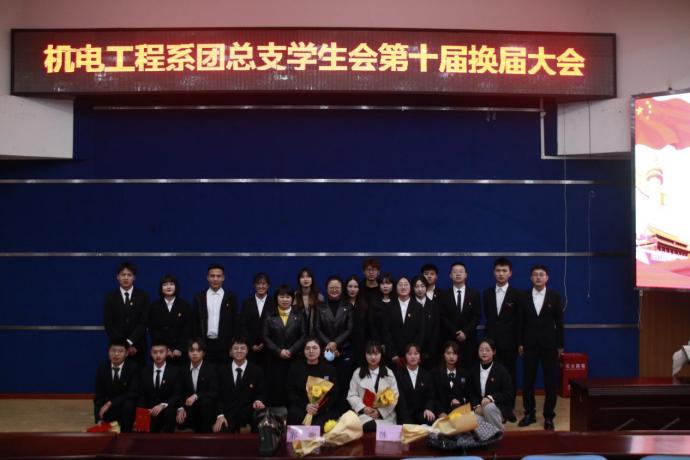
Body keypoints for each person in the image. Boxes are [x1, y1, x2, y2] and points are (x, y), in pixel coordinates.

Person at [518, 264, 564, 431]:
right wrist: (520, 343)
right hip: (529, 345)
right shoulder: (523, 296)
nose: (538, 277)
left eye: (541, 274)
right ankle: (529, 414)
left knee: (550, 382)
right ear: (531, 278)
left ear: (547, 278)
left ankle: (549, 416)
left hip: (549, 345)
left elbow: (560, 323)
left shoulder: (555, 296)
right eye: (535, 274)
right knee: (528, 381)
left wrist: (560, 345)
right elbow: (520, 323)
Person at [482, 257, 523, 422]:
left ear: (510, 273)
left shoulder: (517, 294)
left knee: (509, 376)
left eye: (504, 270)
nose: (501, 274)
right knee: (492, 376)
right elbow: (490, 318)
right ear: (494, 272)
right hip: (491, 343)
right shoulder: (487, 293)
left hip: (510, 343)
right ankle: (493, 410)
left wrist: (519, 343)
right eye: (498, 270)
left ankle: (508, 409)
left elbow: (519, 321)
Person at [263, 285, 307, 407]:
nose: (285, 299)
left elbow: (304, 335)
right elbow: (265, 336)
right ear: (276, 298)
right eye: (282, 296)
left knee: (294, 386)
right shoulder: (269, 315)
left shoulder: (299, 314)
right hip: (274, 359)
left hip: (294, 358)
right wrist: (279, 351)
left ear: (292, 299)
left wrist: (291, 351)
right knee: (276, 388)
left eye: (288, 297)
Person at [315, 276, 353, 414]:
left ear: (342, 289)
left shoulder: (348, 306)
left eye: (337, 287)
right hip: (325, 351)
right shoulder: (320, 306)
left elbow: (349, 328)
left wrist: (336, 344)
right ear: (326, 289)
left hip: (344, 351)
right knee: (325, 384)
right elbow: (317, 328)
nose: (334, 290)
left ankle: (342, 414)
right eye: (331, 287)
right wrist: (329, 344)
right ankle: (325, 414)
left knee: (343, 384)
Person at [214, 337, 267, 433]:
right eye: (236, 348)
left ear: (247, 351)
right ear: (230, 351)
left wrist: (258, 401)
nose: (239, 351)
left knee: (260, 423)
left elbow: (261, 392)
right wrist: (220, 415)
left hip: (249, 413)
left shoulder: (256, 370)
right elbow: (218, 395)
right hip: (228, 413)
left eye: (242, 348)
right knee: (221, 429)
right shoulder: (221, 371)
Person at [103, 261, 150, 367]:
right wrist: (123, 345)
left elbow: (144, 322)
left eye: (129, 275)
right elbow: (108, 323)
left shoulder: (143, 296)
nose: (126, 278)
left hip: (138, 347)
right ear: (117, 277)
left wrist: (130, 342)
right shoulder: (110, 297)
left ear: (134, 278)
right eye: (123, 275)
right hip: (117, 348)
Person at [347, 341, 399, 432]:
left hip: (386, 416)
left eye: (376, 353)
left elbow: (395, 396)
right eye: (370, 354)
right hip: (365, 415)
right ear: (365, 354)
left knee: (378, 428)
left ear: (381, 354)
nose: (373, 357)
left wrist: (379, 412)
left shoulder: (389, 373)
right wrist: (363, 408)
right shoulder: (357, 373)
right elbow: (352, 395)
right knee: (365, 426)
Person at [192, 263, 239, 365]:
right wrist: (197, 343)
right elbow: (195, 322)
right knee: (206, 373)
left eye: (218, 276)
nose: (215, 279)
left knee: (224, 373)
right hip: (204, 345)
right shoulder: (199, 297)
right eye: (212, 276)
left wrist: (232, 346)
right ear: (207, 278)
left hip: (224, 345)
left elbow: (235, 323)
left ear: (223, 278)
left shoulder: (231, 297)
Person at [287, 338, 338, 427]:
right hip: (301, 407)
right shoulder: (295, 368)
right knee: (294, 414)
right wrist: (306, 406)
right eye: (307, 348)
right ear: (303, 351)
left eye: (314, 348)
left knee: (323, 421)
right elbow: (290, 392)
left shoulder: (329, 369)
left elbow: (334, 393)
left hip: (322, 409)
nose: (311, 351)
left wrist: (319, 407)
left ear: (320, 349)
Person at [439, 262, 481, 368]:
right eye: (455, 272)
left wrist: (465, 332)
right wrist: (456, 333)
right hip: (450, 339)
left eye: (461, 272)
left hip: (469, 340)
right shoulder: (444, 295)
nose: (458, 274)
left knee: (469, 369)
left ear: (466, 275)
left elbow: (477, 316)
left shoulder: (474, 294)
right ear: (450, 275)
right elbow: (443, 317)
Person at [93, 338, 139, 432]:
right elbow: (99, 395)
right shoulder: (102, 367)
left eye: (120, 351)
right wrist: (98, 418)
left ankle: (126, 432)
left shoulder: (133, 367)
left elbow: (133, 392)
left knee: (129, 404)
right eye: (113, 351)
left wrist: (110, 403)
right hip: (110, 409)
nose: (116, 354)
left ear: (127, 353)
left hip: (126, 408)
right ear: (108, 352)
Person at [148, 274, 192, 367]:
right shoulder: (154, 306)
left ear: (176, 287)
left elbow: (188, 329)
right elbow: (153, 329)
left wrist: (179, 348)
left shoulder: (184, 305)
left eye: (171, 284)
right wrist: (165, 348)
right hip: (161, 351)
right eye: (165, 284)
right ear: (161, 288)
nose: (168, 287)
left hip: (180, 352)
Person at [138, 340, 182, 433]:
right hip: (150, 410)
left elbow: (177, 395)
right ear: (150, 353)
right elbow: (141, 395)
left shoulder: (175, 371)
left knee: (170, 412)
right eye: (155, 352)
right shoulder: (144, 372)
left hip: (167, 409)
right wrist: (145, 410)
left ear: (167, 352)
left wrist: (162, 405)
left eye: (161, 352)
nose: (158, 355)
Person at [176, 338, 218, 433]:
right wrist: (181, 408)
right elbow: (179, 392)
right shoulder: (183, 369)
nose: (194, 353)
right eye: (192, 350)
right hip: (189, 407)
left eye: (198, 350)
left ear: (203, 353)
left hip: (206, 408)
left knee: (205, 405)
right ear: (188, 353)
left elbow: (214, 392)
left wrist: (196, 396)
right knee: (180, 424)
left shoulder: (211, 369)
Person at [468, 338, 513, 427]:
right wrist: (476, 406)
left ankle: (498, 431)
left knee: (488, 408)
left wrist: (491, 398)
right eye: (481, 350)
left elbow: (508, 393)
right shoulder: (474, 370)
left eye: (487, 350)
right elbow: (470, 391)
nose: (484, 353)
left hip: (498, 407)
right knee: (472, 420)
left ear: (494, 352)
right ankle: (494, 433)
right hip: (479, 408)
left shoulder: (501, 371)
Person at [383, 276, 424, 369]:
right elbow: (385, 332)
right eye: (400, 285)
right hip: (394, 356)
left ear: (411, 287)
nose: (403, 287)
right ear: (396, 287)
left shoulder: (418, 307)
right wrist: (393, 354)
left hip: (413, 356)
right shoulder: (389, 307)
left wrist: (414, 353)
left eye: (406, 284)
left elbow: (421, 331)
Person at [239, 273, 276, 370]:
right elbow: (242, 325)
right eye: (258, 283)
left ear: (268, 286)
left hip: (269, 349)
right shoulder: (246, 303)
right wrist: (251, 344)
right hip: (250, 348)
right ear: (254, 285)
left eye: (264, 284)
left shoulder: (274, 303)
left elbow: (275, 326)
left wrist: (265, 343)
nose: (261, 286)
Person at [395, 343, 436, 425]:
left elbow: (431, 396)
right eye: (409, 354)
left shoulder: (426, 374)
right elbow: (400, 400)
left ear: (420, 356)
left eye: (416, 353)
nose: (413, 357)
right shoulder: (398, 375)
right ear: (405, 356)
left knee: (431, 420)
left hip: (422, 412)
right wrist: (406, 419)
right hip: (404, 414)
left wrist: (428, 408)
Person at [432, 341, 469, 417]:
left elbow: (468, 395)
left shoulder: (465, 374)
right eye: (448, 353)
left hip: (460, 413)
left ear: (458, 356)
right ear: (444, 354)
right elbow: (433, 397)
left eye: (454, 353)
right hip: (440, 413)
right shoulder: (435, 373)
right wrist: (440, 412)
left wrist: (459, 402)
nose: (451, 356)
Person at [412, 275, 441, 368]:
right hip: (412, 352)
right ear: (412, 288)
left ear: (427, 287)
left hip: (430, 352)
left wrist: (431, 351)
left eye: (422, 286)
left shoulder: (434, 306)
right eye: (416, 286)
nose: (420, 289)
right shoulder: (409, 305)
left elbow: (436, 329)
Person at [344, 275, 371, 368]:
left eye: (356, 287)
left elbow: (368, 327)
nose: (353, 289)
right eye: (350, 286)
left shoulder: (365, 304)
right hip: (345, 345)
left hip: (361, 345)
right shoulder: (342, 304)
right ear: (346, 288)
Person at [293, 268, 323, 336]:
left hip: (315, 335)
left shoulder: (319, 297)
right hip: (297, 335)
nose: (305, 279)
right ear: (299, 280)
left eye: (308, 277)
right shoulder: (294, 297)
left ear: (312, 280)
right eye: (302, 277)